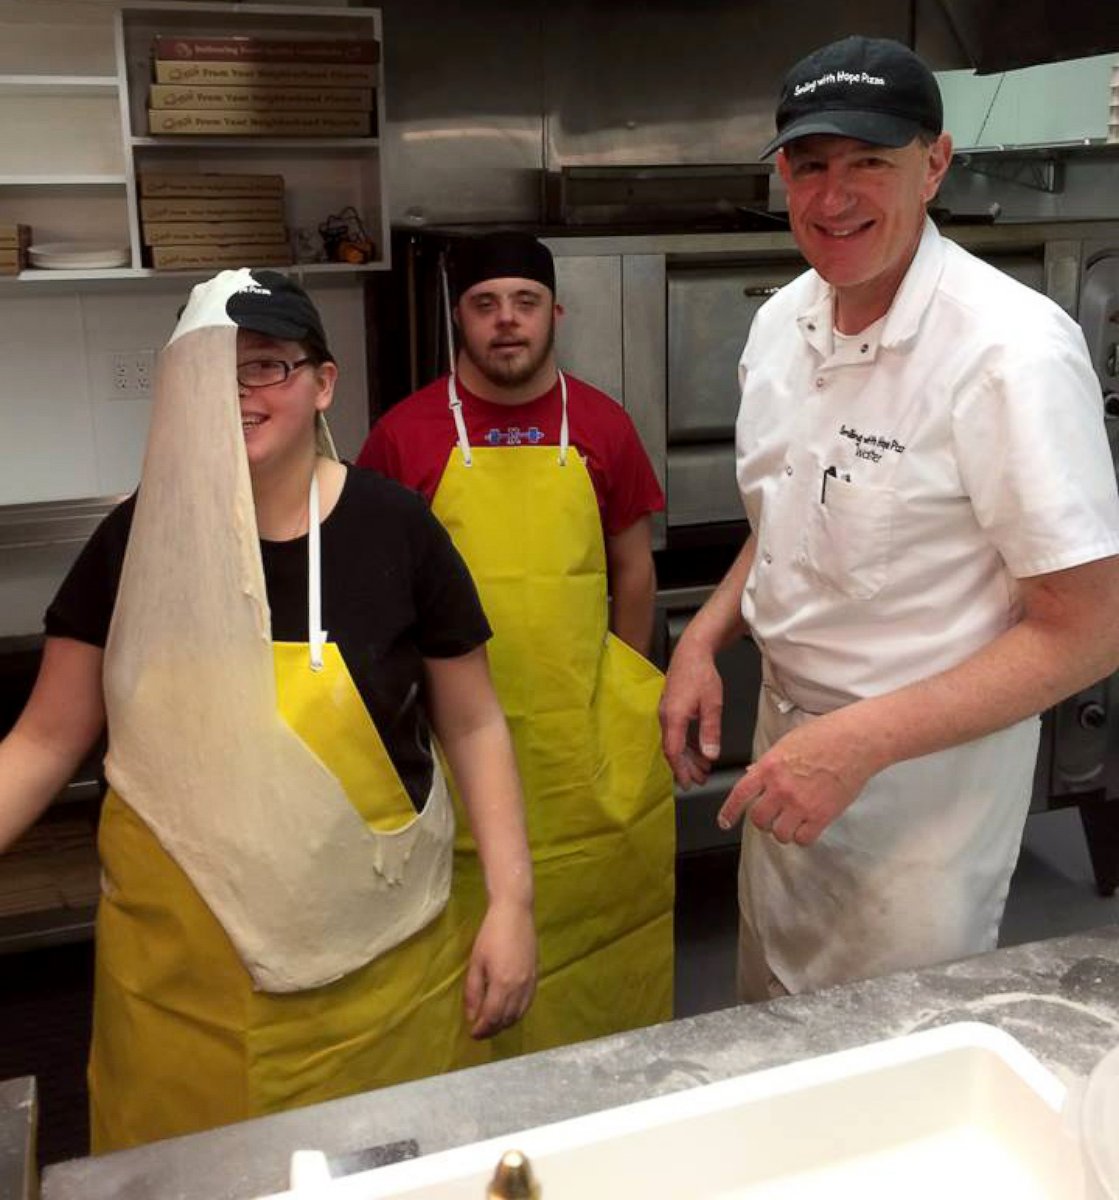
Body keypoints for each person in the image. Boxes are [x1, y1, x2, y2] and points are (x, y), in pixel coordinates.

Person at [0, 269, 536, 1152]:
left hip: (372, 982)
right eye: (210, 373)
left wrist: (511, 903)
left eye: (267, 367)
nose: (237, 394)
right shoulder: (132, 543)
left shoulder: (394, 530)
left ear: (324, 383)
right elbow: (46, 737)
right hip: (176, 990)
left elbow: (473, 724)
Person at [660, 35, 1119, 1002]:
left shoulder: (1008, 351)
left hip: (923, 788)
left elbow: (1090, 628)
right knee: (772, 1024)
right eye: (810, 164)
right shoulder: (782, 321)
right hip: (789, 745)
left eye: (870, 161)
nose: (834, 198)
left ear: (935, 164)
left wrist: (860, 743)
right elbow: (794, 512)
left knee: (889, 1062)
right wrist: (704, 636)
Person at [358, 232, 675, 1055]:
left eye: (524, 303)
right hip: (450, 733)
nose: (507, 322)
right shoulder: (404, 435)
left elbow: (632, 570)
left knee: (597, 944)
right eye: (485, 304)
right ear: (458, 317)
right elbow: (377, 594)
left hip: (581, 737)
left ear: (554, 313)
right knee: (460, 945)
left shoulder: (602, 424)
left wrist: (623, 687)